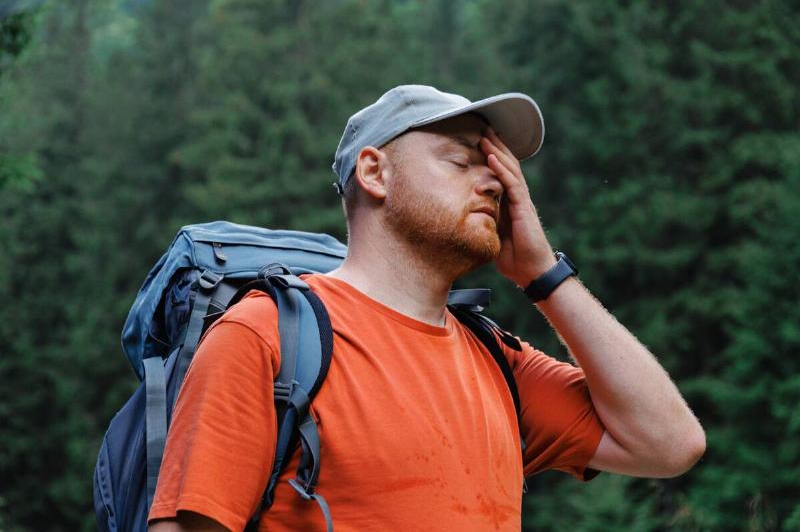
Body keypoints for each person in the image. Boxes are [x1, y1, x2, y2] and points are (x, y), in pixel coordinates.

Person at [148, 85, 706, 531]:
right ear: (374, 173)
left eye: (498, 168)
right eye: (462, 161)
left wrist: (544, 275)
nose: (496, 182)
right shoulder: (268, 336)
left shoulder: (498, 362)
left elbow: (669, 443)